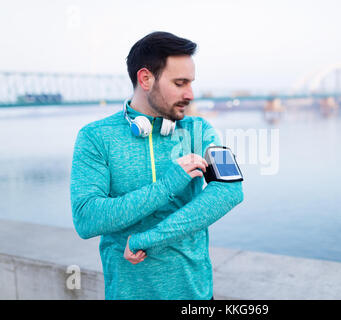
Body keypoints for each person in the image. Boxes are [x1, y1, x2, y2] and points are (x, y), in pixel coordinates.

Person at [70, 31, 244, 300]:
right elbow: (86, 218)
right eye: (179, 83)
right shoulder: (95, 137)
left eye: (191, 83)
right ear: (146, 79)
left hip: (195, 296)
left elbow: (230, 190)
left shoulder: (200, 130)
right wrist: (167, 186)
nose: (190, 94)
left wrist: (146, 239)